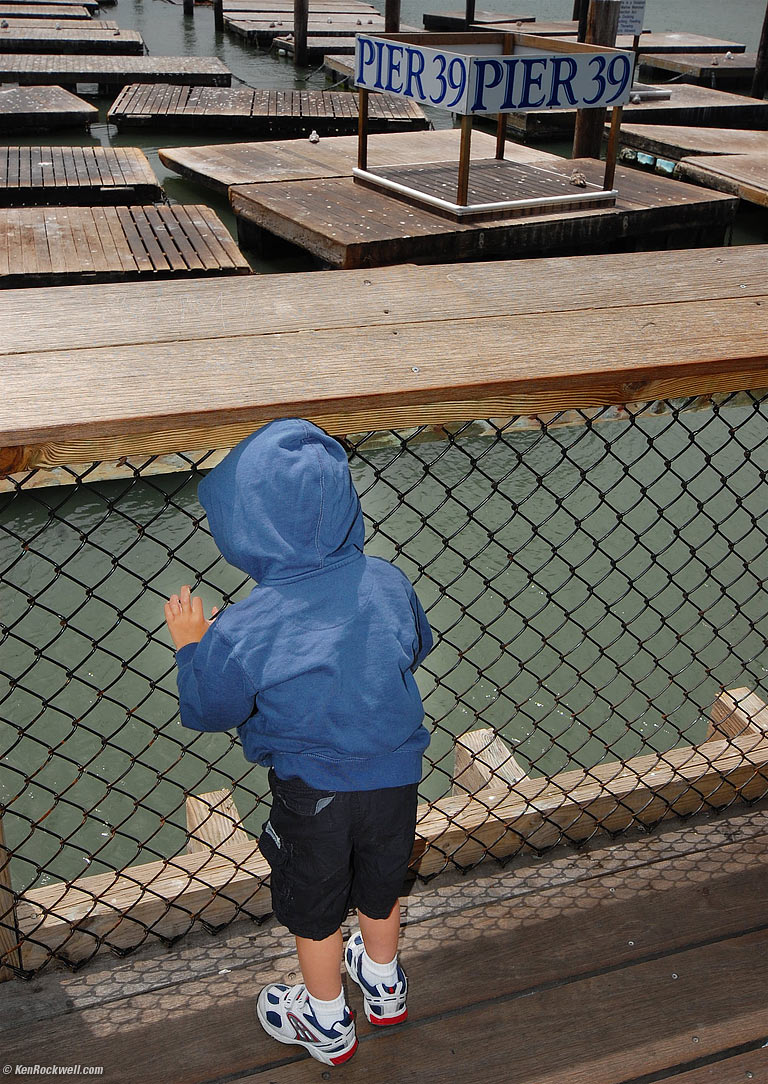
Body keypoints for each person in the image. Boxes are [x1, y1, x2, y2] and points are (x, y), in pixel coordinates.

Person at [163, 418, 433, 1067]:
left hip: (314, 791)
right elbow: (414, 644)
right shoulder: (387, 580)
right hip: (396, 775)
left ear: (245, 532)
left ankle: (326, 1019)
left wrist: (195, 645)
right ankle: (385, 985)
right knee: (380, 885)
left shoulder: (250, 623)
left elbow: (209, 706)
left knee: (315, 911)